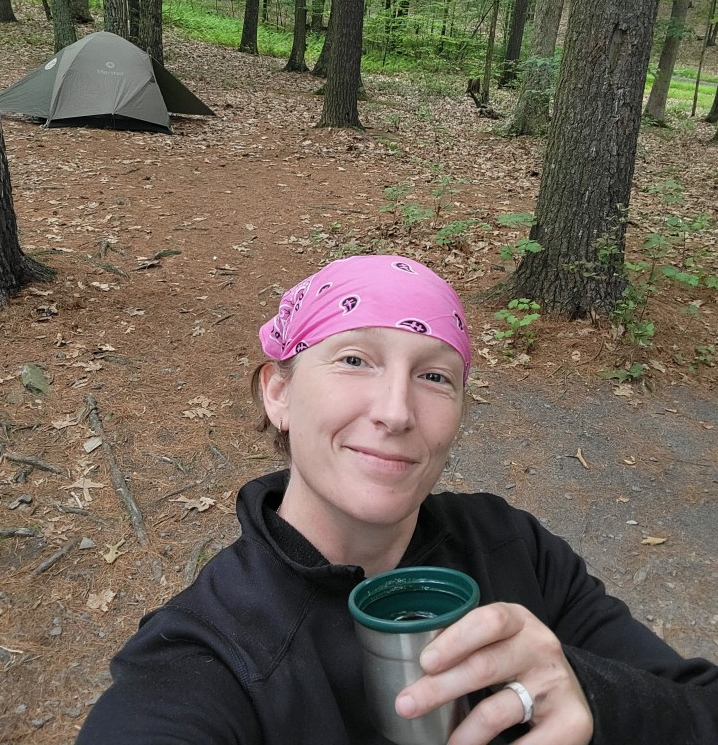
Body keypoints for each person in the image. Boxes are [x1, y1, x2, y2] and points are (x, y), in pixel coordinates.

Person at [75, 254, 718, 744]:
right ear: (278, 393)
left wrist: (591, 695)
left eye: (434, 376)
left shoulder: (513, 549)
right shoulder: (210, 652)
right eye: (355, 360)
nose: (396, 411)